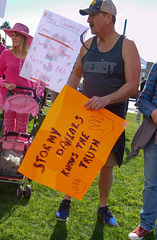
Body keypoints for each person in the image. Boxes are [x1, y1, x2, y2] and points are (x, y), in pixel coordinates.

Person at [55, 0, 141, 226]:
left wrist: (106, 100)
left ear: (108, 17)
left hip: (111, 118)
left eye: (92, 15)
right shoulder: (88, 44)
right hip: (84, 116)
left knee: (106, 165)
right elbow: (76, 74)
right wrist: (67, 101)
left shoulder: (127, 46)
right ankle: (66, 201)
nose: (88, 20)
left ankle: (103, 207)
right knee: (73, 158)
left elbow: (133, 85)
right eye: (88, 16)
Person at [128, 63, 157, 239]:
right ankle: (146, 224)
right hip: (154, 136)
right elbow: (142, 99)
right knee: (151, 184)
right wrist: (153, 112)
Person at [0, 23, 36, 133]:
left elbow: (35, 79)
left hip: (26, 99)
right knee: (8, 129)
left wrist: (38, 91)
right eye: (13, 35)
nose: (13, 38)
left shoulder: (33, 57)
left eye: (17, 35)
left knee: (22, 129)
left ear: (24, 38)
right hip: (8, 98)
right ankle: (7, 150)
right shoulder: (6, 54)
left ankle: (19, 150)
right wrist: (5, 84)